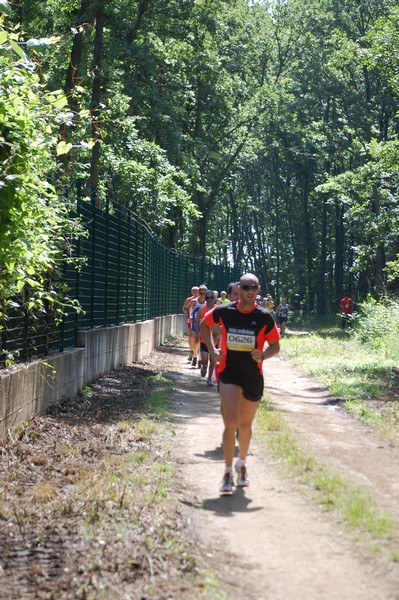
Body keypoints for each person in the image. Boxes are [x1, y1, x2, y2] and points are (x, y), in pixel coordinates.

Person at [200, 273, 280, 495]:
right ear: (239, 289)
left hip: (253, 376)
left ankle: (241, 465)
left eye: (254, 287)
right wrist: (212, 350)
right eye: (246, 287)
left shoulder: (264, 316)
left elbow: (275, 346)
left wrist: (262, 355)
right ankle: (226, 472)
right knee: (231, 422)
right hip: (229, 373)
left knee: (245, 426)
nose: (250, 291)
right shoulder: (225, 311)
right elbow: (204, 325)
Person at [194, 290, 221, 386]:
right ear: (205, 299)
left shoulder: (218, 310)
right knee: (205, 359)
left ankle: (209, 379)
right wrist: (197, 333)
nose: (209, 300)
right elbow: (196, 322)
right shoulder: (202, 309)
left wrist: (220, 333)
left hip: (216, 339)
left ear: (214, 298)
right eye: (207, 298)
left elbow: (223, 324)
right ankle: (204, 366)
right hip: (204, 339)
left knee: (213, 360)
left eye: (211, 298)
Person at [188, 284, 207, 366]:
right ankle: (195, 356)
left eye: (204, 293)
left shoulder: (208, 302)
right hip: (195, 323)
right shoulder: (194, 301)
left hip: (205, 323)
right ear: (198, 293)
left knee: (202, 341)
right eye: (200, 293)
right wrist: (191, 316)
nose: (202, 295)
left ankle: (199, 359)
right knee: (196, 340)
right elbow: (189, 308)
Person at [182, 286, 199, 361]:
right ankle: (191, 351)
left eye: (197, 291)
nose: (195, 293)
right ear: (191, 292)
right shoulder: (189, 300)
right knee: (191, 335)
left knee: (199, 337)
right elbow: (184, 310)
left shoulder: (202, 300)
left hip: (199, 321)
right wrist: (187, 307)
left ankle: (197, 352)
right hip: (190, 320)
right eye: (194, 291)